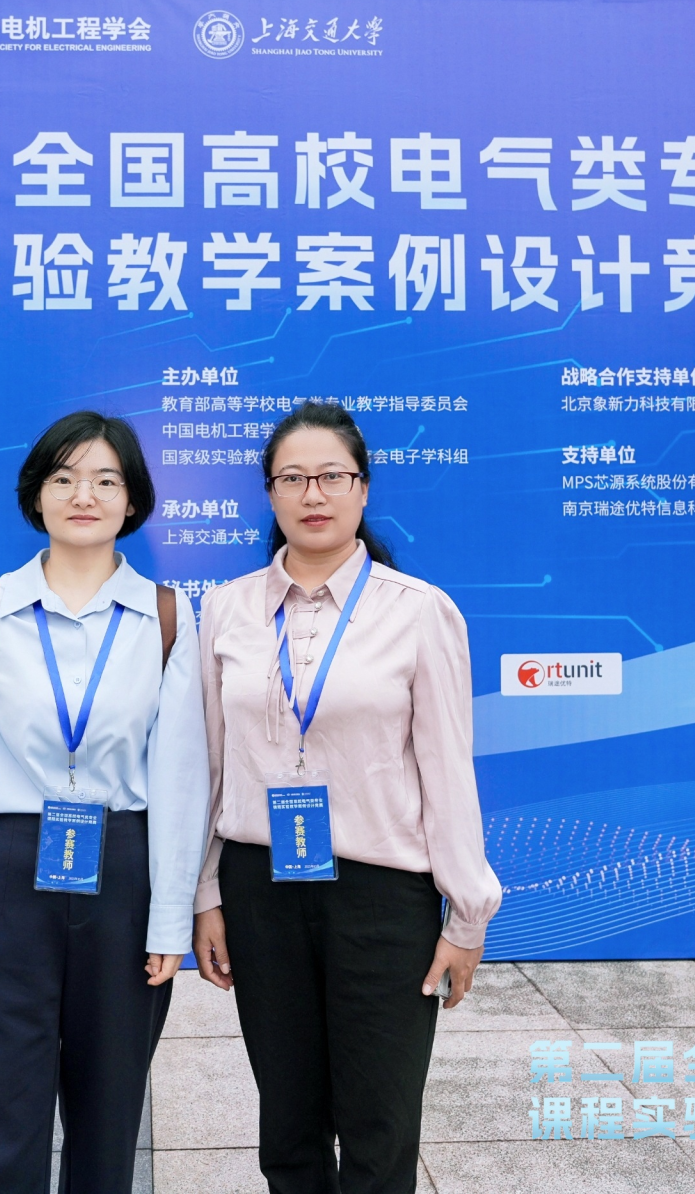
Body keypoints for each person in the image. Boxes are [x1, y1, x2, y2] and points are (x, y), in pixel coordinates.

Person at [190, 401, 501, 1194]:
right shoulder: (225, 608)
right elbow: (212, 767)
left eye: (332, 475)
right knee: (289, 1128)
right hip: (261, 889)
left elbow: (448, 770)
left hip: (382, 896)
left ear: (363, 488)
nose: (313, 493)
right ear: (269, 492)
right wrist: (206, 893)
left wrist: (467, 915)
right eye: (292, 477)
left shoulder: (418, 610)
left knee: (379, 1128)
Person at [0, 410, 206, 1194]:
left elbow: (181, 777)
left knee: (109, 1118)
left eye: (107, 480)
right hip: (9, 877)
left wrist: (169, 917)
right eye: (65, 477)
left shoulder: (167, 616)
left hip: (123, 875)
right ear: (36, 494)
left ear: (132, 500)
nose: (85, 495)